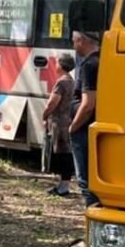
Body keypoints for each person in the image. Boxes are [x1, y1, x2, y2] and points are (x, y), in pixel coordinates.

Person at [69, 30, 100, 208]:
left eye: (74, 41)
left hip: (84, 129)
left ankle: (91, 215)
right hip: (95, 127)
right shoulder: (103, 59)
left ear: (81, 41)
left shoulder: (89, 65)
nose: (73, 45)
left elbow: (88, 104)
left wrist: (73, 126)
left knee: (85, 181)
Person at [41, 52, 76, 196]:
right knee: (66, 153)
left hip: (60, 122)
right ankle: (63, 184)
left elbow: (52, 103)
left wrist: (45, 115)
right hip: (69, 120)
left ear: (61, 65)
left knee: (62, 154)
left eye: (57, 63)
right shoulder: (72, 81)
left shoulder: (61, 82)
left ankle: (63, 186)